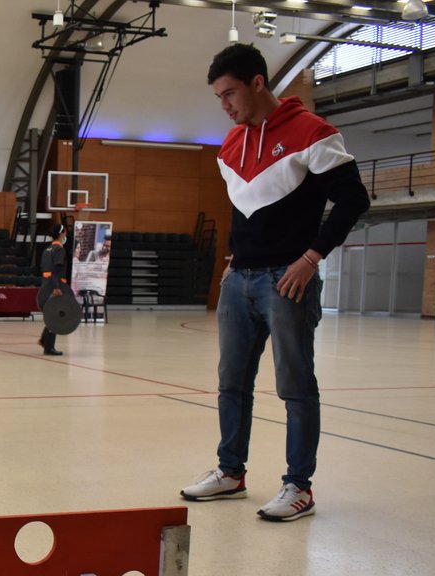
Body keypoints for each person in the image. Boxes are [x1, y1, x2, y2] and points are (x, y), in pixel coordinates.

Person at [180, 43, 370, 521]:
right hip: (239, 279)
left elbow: (353, 200)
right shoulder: (229, 145)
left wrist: (311, 257)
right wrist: (231, 259)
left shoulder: (312, 133)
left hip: (287, 281)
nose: (224, 106)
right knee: (231, 383)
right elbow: (243, 206)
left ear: (257, 83)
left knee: (296, 386)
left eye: (229, 94)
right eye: (219, 98)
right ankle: (230, 472)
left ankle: (298, 487)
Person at [37, 224, 68, 356]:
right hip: (54, 285)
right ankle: (49, 348)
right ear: (62, 234)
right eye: (65, 233)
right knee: (54, 315)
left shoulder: (48, 249)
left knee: (50, 313)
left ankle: (44, 340)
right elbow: (56, 270)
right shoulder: (59, 249)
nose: (66, 235)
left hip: (45, 284)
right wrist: (56, 287)